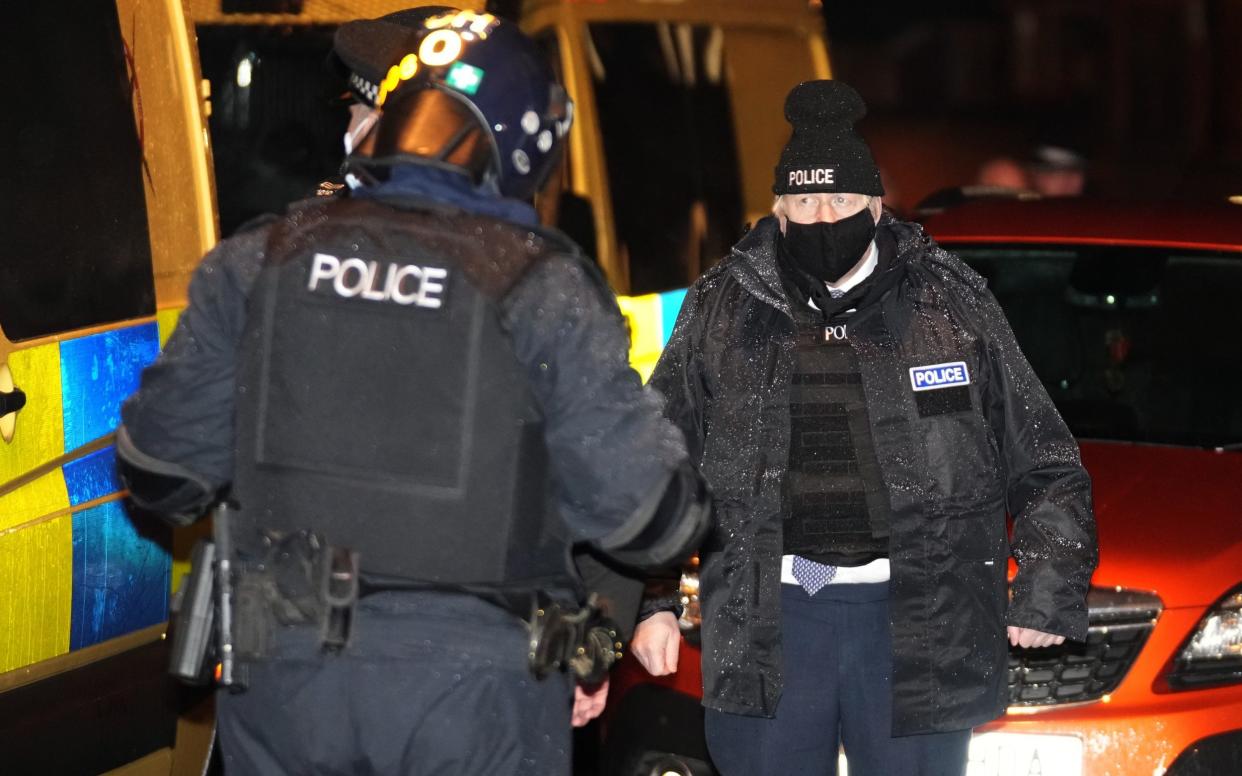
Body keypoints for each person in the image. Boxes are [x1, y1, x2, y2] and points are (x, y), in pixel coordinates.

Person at [116, 8, 709, 774]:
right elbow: (650, 520)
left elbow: (159, 474)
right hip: (472, 698)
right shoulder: (540, 286)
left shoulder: (259, 259)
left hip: (285, 682)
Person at [630, 80, 1097, 776]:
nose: (823, 218)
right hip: (773, 623)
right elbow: (654, 459)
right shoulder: (725, 306)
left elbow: (1045, 456)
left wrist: (1047, 582)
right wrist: (651, 600)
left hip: (919, 624)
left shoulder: (949, 300)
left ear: (877, 207)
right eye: (805, 203)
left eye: (841, 201)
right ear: (778, 213)